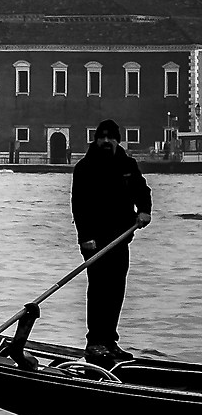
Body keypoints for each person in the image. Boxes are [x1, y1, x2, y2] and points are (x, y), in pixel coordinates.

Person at [72, 119, 151, 365]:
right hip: (95, 241)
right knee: (99, 290)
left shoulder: (127, 164)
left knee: (116, 291)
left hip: (121, 238)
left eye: (111, 137)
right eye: (102, 137)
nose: (106, 141)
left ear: (117, 140)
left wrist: (145, 210)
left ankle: (109, 341)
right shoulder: (85, 167)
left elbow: (142, 190)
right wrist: (85, 238)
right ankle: (94, 342)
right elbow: (79, 205)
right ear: (96, 140)